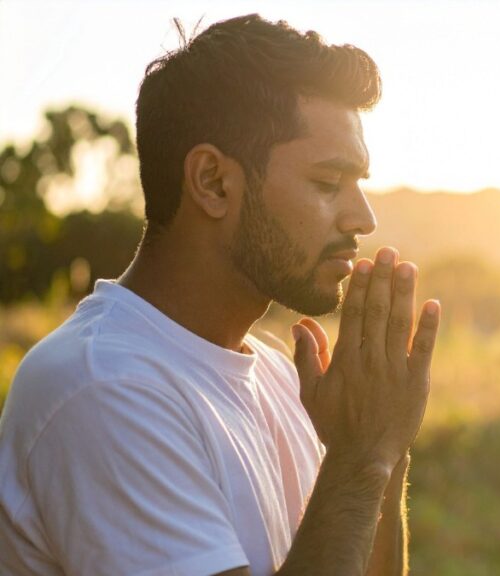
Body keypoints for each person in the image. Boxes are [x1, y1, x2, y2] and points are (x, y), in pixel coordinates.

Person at [0, 13, 440, 576]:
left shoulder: (281, 376)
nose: (363, 217)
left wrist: (384, 448)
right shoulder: (102, 385)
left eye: (360, 184)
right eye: (328, 183)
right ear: (212, 181)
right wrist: (359, 459)